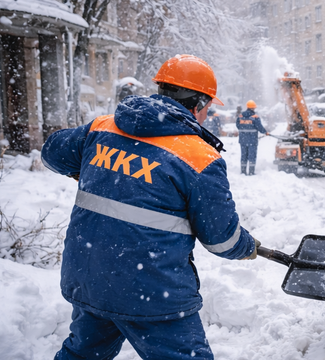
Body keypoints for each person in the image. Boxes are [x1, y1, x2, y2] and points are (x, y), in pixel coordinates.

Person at [42, 54, 261, 360]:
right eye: (208, 106)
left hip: (90, 277)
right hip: (152, 292)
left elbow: (52, 152)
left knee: (83, 355)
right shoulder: (199, 157)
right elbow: (222, 239)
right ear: (198, 104)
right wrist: (247, 245)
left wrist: (91, 167)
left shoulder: (103, 128)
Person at [235, 100, 268, 175]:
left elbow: (237, 125)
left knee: (244, 156)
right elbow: (259, 127)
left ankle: (243, 171)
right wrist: (265, 132)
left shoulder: (241, 116)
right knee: (252, 156)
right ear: (253, 108)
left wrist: (243, 130)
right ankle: (251, 172)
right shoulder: (255, 117)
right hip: (252, 140)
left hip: (243, 140)